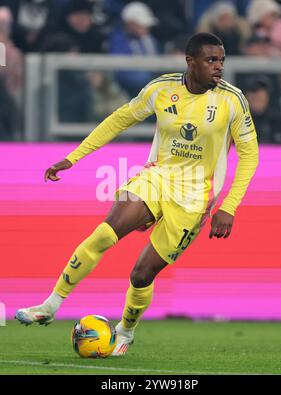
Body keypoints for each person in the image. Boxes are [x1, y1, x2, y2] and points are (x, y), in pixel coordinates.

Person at [15, 32, 259, 356]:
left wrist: (229, 206)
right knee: (104, 233)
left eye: (221, 61)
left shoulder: (232, 100)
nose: (219, 68)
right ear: (191, 61)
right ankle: (50, 304)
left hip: (195, 199)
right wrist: (73, 157)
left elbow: (250, 154)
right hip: (157, 178)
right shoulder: (162, 89)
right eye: (211, 60)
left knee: (141, 274)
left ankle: (125, 331)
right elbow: (120, 119)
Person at [244, 76, 281, 143]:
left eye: (260, 90)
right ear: (246, 96)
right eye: (252, 91)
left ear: (268, 95)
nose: (256, 94)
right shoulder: (238, 122)